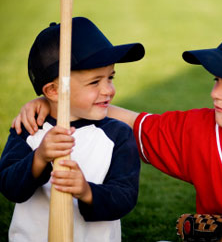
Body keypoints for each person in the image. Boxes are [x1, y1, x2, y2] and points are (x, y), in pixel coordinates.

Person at [11, 20, 222, 241]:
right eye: (215, 81)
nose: (216, 94)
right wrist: (54, 101)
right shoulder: (196, 130)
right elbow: (134, 122)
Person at [0, 16, 145, 242]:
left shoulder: (118, 135)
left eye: (110, 77)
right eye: (95, 82)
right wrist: (39, 158)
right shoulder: (29, 128)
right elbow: (9, 187)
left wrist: (87, 192)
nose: (109, 90)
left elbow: (125, 197)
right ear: (53, 91)